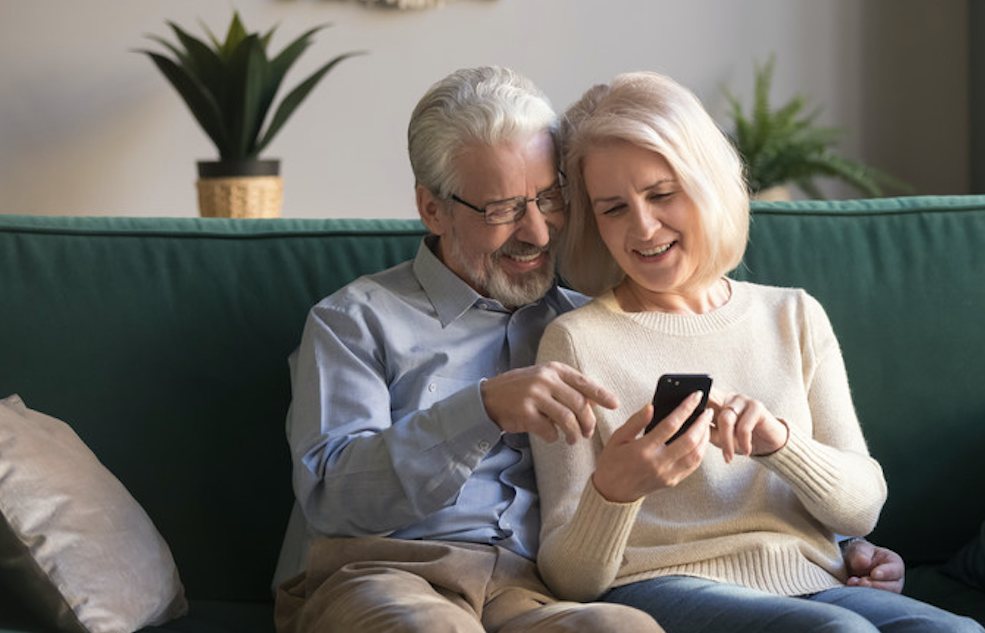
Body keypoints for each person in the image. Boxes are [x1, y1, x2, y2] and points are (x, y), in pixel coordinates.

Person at [271, 65, 906, 633]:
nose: (538, 230)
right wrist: (481, 409)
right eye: (502, 208)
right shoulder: (355, 322)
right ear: (432, 209)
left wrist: (848, 545)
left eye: (549, 199)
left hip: (531, 591)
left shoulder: (590, 323)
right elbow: (332, 497)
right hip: (387, 573)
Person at [530, 71, 984, 633]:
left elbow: (863, 508)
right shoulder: (576, 340)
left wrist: (780, 444)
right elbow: (568, 579)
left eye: (661, 194)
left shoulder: (791, 315)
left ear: (708, 186)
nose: (643, 228)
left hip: (816, 581)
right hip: (662, 587)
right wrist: (614, 490)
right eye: (613, 208)